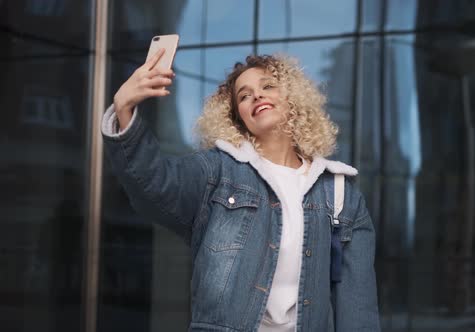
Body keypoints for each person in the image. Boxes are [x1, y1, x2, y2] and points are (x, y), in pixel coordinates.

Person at [101, 49, 380, 331]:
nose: (256, 96)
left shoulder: (340, 194)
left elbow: (358, 307)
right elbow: (153, 187)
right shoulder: (217, 172)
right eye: (244, 96)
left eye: (268, 86)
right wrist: (124, 109)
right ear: (238, 118)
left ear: (293, 97)